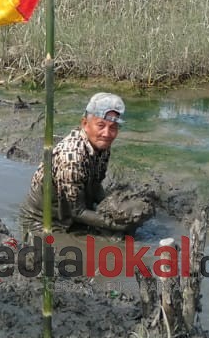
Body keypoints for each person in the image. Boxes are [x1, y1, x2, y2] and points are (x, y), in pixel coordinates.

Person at [20, 92, 129, 234]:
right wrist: (116, 224)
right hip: (43, 221)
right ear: (85, 124)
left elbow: (96, 184)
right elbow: (77, 212)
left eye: (113, 127)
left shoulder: (101, 144)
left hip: (72, 210)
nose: (107, 134)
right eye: (100, 125)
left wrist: (112, 207)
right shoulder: (71, 157)